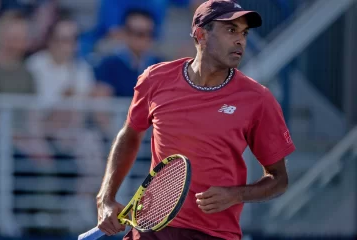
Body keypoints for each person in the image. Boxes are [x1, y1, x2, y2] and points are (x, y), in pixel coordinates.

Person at [96, 1, 296, 239]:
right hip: (150, 230)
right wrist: (106, 198)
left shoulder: (259, 99)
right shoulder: (155, 78)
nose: (240, 40)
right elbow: (130, 134)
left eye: (244, 32)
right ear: (201, 34)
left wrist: (235, 194)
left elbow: (279, 180)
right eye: (231, 30)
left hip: (215, 234)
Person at [94, 9, 162, 97]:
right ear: (125, 33)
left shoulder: (160, 65)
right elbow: (102, 103)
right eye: (139, 34)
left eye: (149, 33)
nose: (144, 38)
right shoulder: (108, 65)